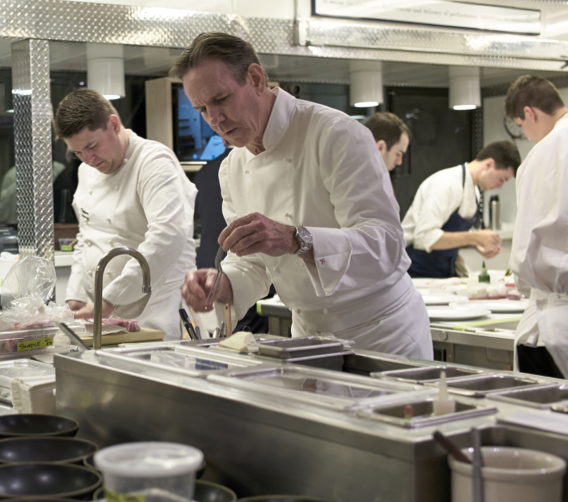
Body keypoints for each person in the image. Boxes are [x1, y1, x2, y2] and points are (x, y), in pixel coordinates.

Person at [173, 32, 432, 358]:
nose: (214, 119)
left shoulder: (335, 134)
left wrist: (296, 239)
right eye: (202, 109)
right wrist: (222, 285)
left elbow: (386, 244)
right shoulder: (232, 167)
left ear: (255, 79)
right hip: (308, 336)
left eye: (221, 99)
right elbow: (252, 261)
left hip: (381, 333)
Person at [55, 89, 197, 340]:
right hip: (104, 313)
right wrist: (76, 293)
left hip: (156, 311)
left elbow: (167, 236)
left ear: (114, 124)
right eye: (77, 153)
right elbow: (87, 234)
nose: (88, 159)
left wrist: (111, 298)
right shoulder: (87, 170)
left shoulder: (154, 162)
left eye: (92, 146)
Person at [505, 75, 568, 378]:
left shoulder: (542, 154)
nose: (528, 136)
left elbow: (525, 249)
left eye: (522, 126)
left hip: (548, 328)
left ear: (529, 113)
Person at [401, 141, 520, 278]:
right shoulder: (446, 184)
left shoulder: (474, 191)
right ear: (489, 164)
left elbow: (451, 233)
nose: (500, 187)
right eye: (501, 179)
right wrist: (475, 237)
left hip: (445, 269)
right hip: (415, 269)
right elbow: (424, 238)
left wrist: (476, 244)